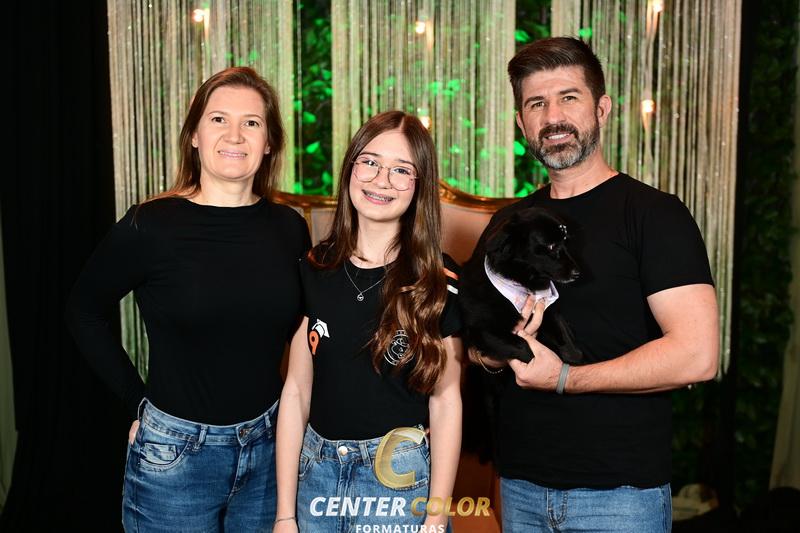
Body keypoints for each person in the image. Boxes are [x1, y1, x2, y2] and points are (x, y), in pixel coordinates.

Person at [468, 37, 720, 532]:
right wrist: (496, 353)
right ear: (522, 124)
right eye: (536, 104)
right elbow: (476, 342)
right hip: (519, 486)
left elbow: (697, 355)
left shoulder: (654, 215)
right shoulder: (508, 225)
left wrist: (565, 377)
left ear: (601, 108)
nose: (553, 117)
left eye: (569, 97)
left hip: (620, 496)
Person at [66, 67, 310, 531]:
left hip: (270, 450)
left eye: (251, 122)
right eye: (218, 119)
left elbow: (309, 333)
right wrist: (136, 400)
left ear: (269, 142)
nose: (235, 135)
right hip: (176, 457)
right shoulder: (150, 225)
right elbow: (83, 311)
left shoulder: (289, 228)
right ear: (195, 135)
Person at [273, 111, 463, 533]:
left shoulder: (438, 280)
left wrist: (436, 515)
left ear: (419, 186)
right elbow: (297, 391)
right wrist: (285, 514)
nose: (381, 180)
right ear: (350, 168)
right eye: (370, 162)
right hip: (316, 476)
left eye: (401, 170)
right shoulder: (314, 268)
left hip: (400, 479)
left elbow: (447, 402)